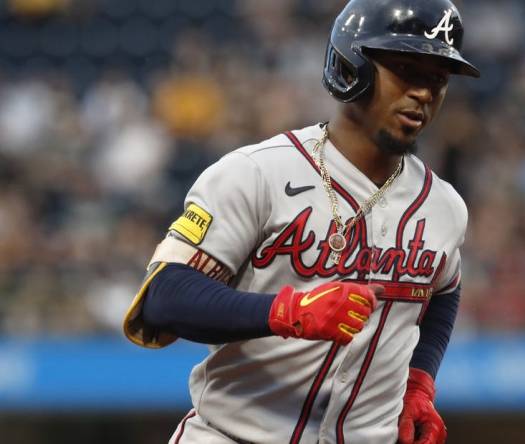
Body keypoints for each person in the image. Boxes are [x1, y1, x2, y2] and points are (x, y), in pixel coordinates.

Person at [122, 0, 479, 443]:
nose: (424, 94)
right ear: (353, 66)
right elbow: (165, 296)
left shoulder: (444, 207)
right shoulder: (256, 173)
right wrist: (285, 312)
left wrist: (419, 382)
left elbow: (445, 289)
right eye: (407, 70)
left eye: (437, 80)